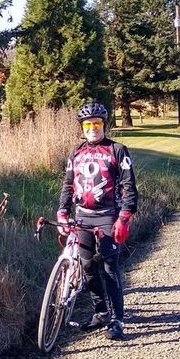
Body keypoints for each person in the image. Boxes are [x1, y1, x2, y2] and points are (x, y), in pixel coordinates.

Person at [57, 102, 138, 340]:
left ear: (104, 125)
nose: (92, 128)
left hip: (108, 217)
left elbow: (129, 186)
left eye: (97, 123)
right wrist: (62, 212)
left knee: (110, 268)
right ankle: (101, 312)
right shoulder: (76, 152)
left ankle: (117, 320)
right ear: (82, 128)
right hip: (82, 216)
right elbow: (68, 184)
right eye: (87, 125)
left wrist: (124, 217)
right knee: (88, 267)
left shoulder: (117, 150)